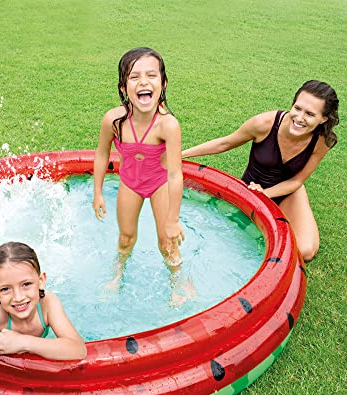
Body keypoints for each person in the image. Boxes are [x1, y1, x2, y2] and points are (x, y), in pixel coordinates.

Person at [183, 80, 339, 262]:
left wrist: (266, 193)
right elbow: (224, 143)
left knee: (305, 251)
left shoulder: (322, 141)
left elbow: (297, 181)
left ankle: (286, 213)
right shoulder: (264, 124)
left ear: (324, 118)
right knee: (235, 242)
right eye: (297, 108)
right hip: (251, 190)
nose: (299, 117)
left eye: (310, 114)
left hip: (288, 191)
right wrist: (179, 154)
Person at [92, 47, 185, 290]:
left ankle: (178, 282)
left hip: (160, 184)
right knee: (125, 239)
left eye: (151, 75)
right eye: (134, 77)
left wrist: (173, 219)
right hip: (130, 184)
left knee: (167, 242)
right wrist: (98, 192)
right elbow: (102, 154)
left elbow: (175, 175)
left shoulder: (168, 125)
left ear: (163, 83)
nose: (143, 81)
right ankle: (117, 275)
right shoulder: (113, 120)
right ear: (123, 88)